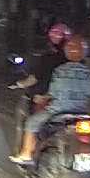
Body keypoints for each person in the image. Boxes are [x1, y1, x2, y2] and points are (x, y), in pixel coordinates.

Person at [11, 36, 90, 166]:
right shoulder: (89, 72)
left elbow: (53, 93)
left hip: (58, 110)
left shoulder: (60, 70)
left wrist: (43, 97)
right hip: (81, 112)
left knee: (31, 123)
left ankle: (26, 155)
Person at [9, 23, 71, 161]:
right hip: (78, 107)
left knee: (32, 123)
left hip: (52, 103)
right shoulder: (80, 65)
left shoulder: (49, 59)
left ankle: (26, 154)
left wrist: (19, 84)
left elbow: (36, 80)